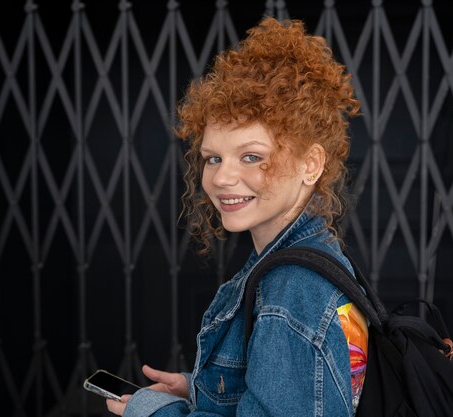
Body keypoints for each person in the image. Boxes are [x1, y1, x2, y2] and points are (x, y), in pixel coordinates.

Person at [106, 16, 365, 416]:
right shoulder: (305, 262)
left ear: (310, 164)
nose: (222, 177)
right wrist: (201, 391)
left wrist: (152, 412)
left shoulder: (292, 292)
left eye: (251, 156)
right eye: (213, 157)